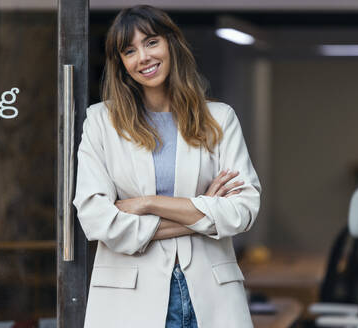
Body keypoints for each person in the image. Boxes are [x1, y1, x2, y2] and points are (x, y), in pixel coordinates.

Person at [72, 5, 261, 328]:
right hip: (129, 302)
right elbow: (96, 219)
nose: (142, 57)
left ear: (171, 44)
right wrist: (203, 214)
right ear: (121, 65)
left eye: (151, 42)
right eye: (129, 51)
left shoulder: (220, 119)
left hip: (212, 299)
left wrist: (147, 204)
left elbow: (243, 209)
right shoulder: (101, 122)